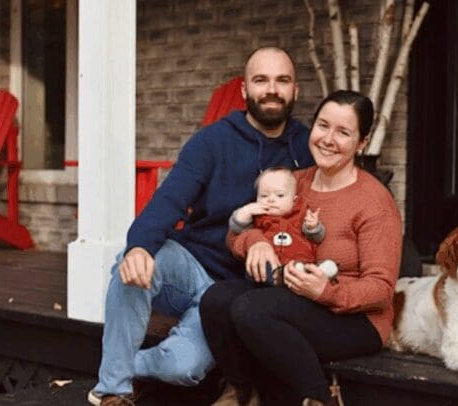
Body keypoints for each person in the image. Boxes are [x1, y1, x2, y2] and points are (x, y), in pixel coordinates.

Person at [88, 46, 315, 406]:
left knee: (184, 368)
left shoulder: (308, 147)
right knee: (132, 264)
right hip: (191, 263)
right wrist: (140, 246)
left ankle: (122, 365)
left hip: (231, 293)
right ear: (244, 90)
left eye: (282, 80)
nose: (271, 90)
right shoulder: (212, 141)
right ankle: (113, 390)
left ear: (295, 90)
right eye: (261, 80)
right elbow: (169, 200)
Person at [200, 90, 403, 406]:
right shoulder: (293, 183)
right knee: (216, 300)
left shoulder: (374, 201)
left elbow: (380, 289)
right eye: (323, 125)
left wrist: (327, 292)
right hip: (293, 296)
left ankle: (320, 398)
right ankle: (243, 393)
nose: (328, 139)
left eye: (343, 132)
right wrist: (255, 243)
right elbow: (237, 233)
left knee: (252, 309)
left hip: (356, 319)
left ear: (361, 143)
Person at [229, 166, 329, 286]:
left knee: (305, 268)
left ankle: (316, 271)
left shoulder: (301, 214)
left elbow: (317, 238)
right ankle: (271, 277)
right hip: (268, 267)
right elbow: (237, 229)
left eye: (280, 195)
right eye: (264, 196)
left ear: (294, 200)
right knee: (257, 268)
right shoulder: (259, 215)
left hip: (298, 263)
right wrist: (245, 212)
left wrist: (313, 227)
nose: (271, 200)